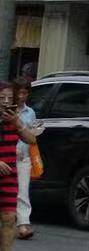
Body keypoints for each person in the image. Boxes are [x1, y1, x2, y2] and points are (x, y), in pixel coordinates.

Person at [0, 83, 28, 251]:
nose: (6, 101)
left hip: (9, 176)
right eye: (2, 98)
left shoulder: (13, 120)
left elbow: (31, 140)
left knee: (10, 218)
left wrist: (17, 123)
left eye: (10, 98)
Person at [14, 79, 38, 241]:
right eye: (19, 92)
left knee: (23, 190)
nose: (22, 96)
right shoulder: (7, 110)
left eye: (25, 93)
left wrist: (36, 131)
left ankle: (23, 224)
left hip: (24, 156)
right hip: (6, 156)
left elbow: (31, 134)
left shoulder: (30, 112)